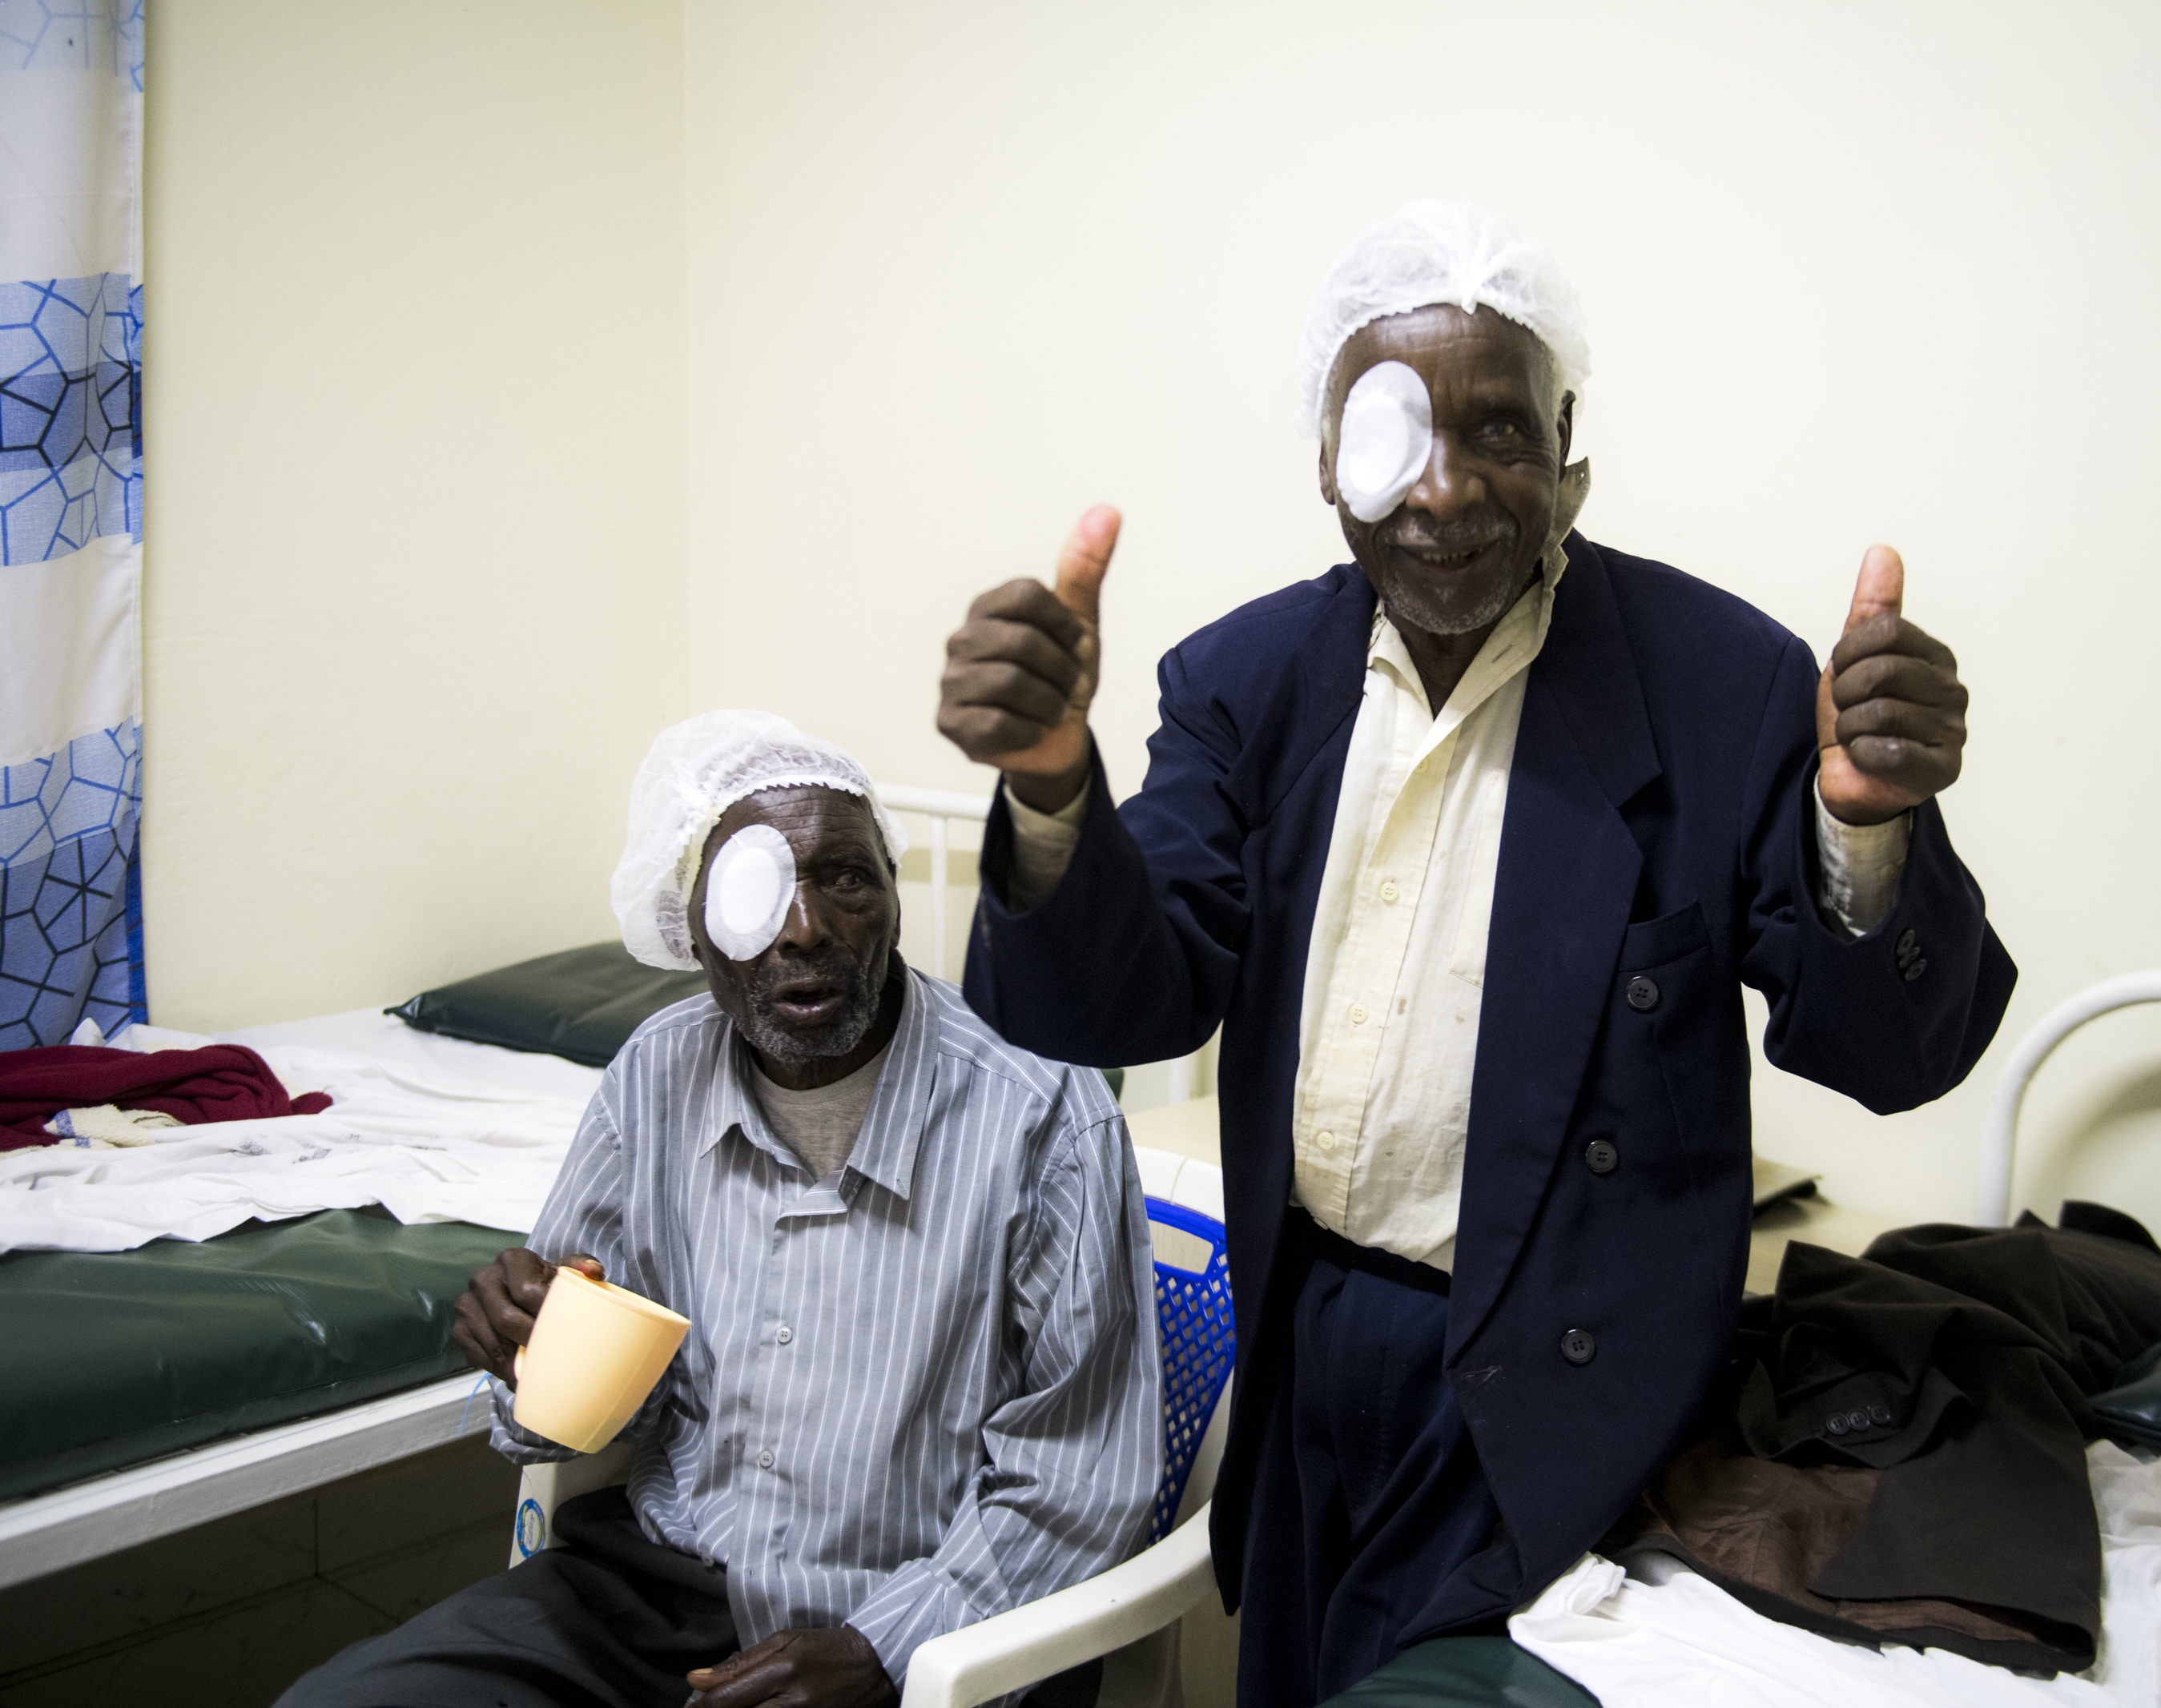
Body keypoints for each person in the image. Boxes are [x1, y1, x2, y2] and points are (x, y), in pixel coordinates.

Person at [936, 200, 2015, 1707]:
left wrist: (1869, 833)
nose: (1445, 490)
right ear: (1326, 461)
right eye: (1391, 436)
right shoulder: (1247, 682)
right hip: (1308, 1341)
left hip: (1563, 1381)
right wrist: (1056, 793)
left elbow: (1892, 1053)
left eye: (1498, 431)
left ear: (1571, 453)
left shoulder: (1724, 689)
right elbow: (1135, 990)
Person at [280, 711, 1160, 1708]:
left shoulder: (1044, 1115)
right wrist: (525, 1354)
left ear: (895, 902)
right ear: (691, 929)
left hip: (923, 1625)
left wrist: (888, 1649)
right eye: (755, 891)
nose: (805, 927)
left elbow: (1081, 1484)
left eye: (846, 878)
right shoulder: (655, 1075)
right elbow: (592, 1410)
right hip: (658, 1593)